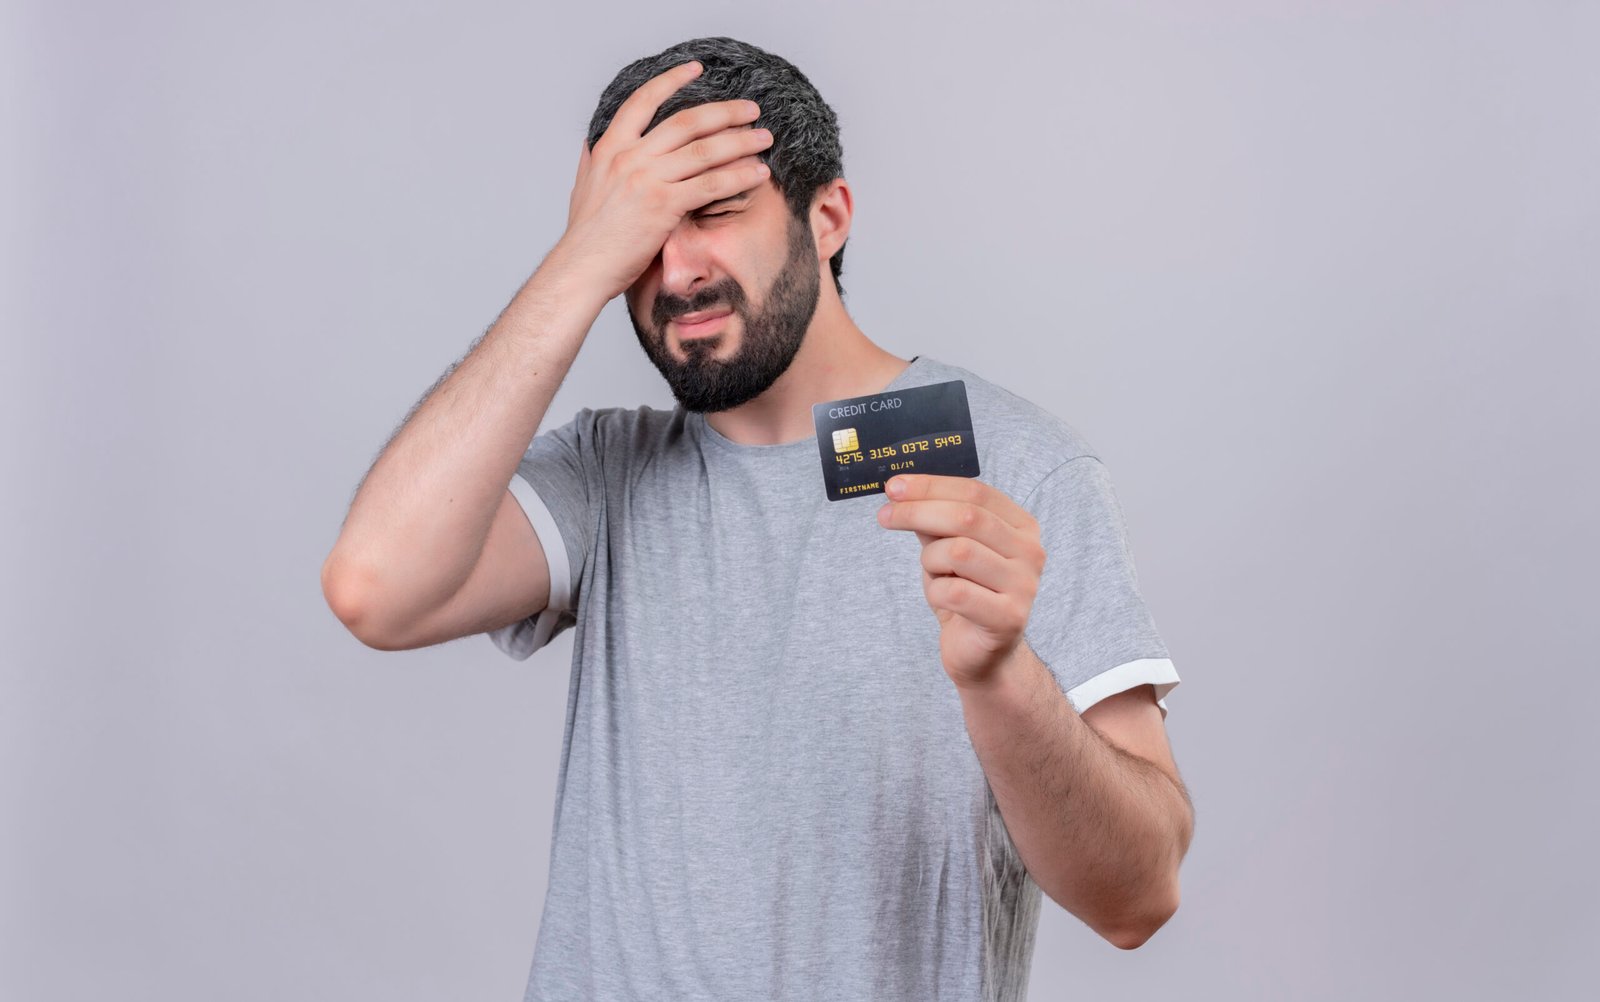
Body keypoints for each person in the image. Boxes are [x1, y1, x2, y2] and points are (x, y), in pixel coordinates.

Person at [322, 35, 1193, 1002]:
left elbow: (1137, 897)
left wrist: (1002, 677)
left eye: (715, 212)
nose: (675, 270)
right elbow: (374, 589)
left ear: (828, 217)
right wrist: (579, 261)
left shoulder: (1016, 467)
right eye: (640, 231)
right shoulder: (607, 472)